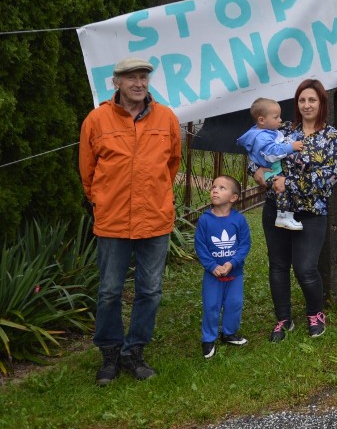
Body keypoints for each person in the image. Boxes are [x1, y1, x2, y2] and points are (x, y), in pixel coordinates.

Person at [78, 56, 181, 385]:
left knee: (149, 290)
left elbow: (172, 164)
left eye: (143, 77)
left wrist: (159, 196)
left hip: (155, 218)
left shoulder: (166, 119)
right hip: (113, 221)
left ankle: (134, 351)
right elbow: (88, 172)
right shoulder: (96, 120)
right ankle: (109, 352)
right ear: (116, 83)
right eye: (131, 78)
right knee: (109, 291)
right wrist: (104, 200)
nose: (138, 83)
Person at [250, 79, 337, 339]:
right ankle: (283, 319)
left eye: (312, 99)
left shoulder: (332, 137)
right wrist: (255, 170)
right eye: (302, 100)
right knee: (278, 266)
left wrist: (286, 182)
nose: (306, 105)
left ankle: (315, 314)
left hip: (310, 212)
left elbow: (326, 181)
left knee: (305, 268)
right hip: (276, 209)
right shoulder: (284, 131)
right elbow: (258, 153)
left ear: (321, 102)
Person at [194, 175, 251, 359]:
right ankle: (208, 338)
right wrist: (212, 266)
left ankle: (229, 333)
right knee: (211, 305)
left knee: (234, 304)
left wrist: (232, 263)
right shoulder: (205, 220)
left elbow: (244, 245)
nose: (215, 190)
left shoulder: (239, 220)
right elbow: (200, 246)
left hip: (235, 273)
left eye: (222, 188)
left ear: (233, 198)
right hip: (213, 275)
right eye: (213, 187)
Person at [237, 98, 304, 230]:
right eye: (276, 117)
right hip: (271, 172)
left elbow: (281, 141)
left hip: (272, 170)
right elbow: (273, 152)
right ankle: (283, 217)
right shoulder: (262, 137)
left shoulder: (267, 131)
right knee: (282, 190)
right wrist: (292, 147)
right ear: (262, 120)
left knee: (284, 188)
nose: (280, 120)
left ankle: (286, 216)